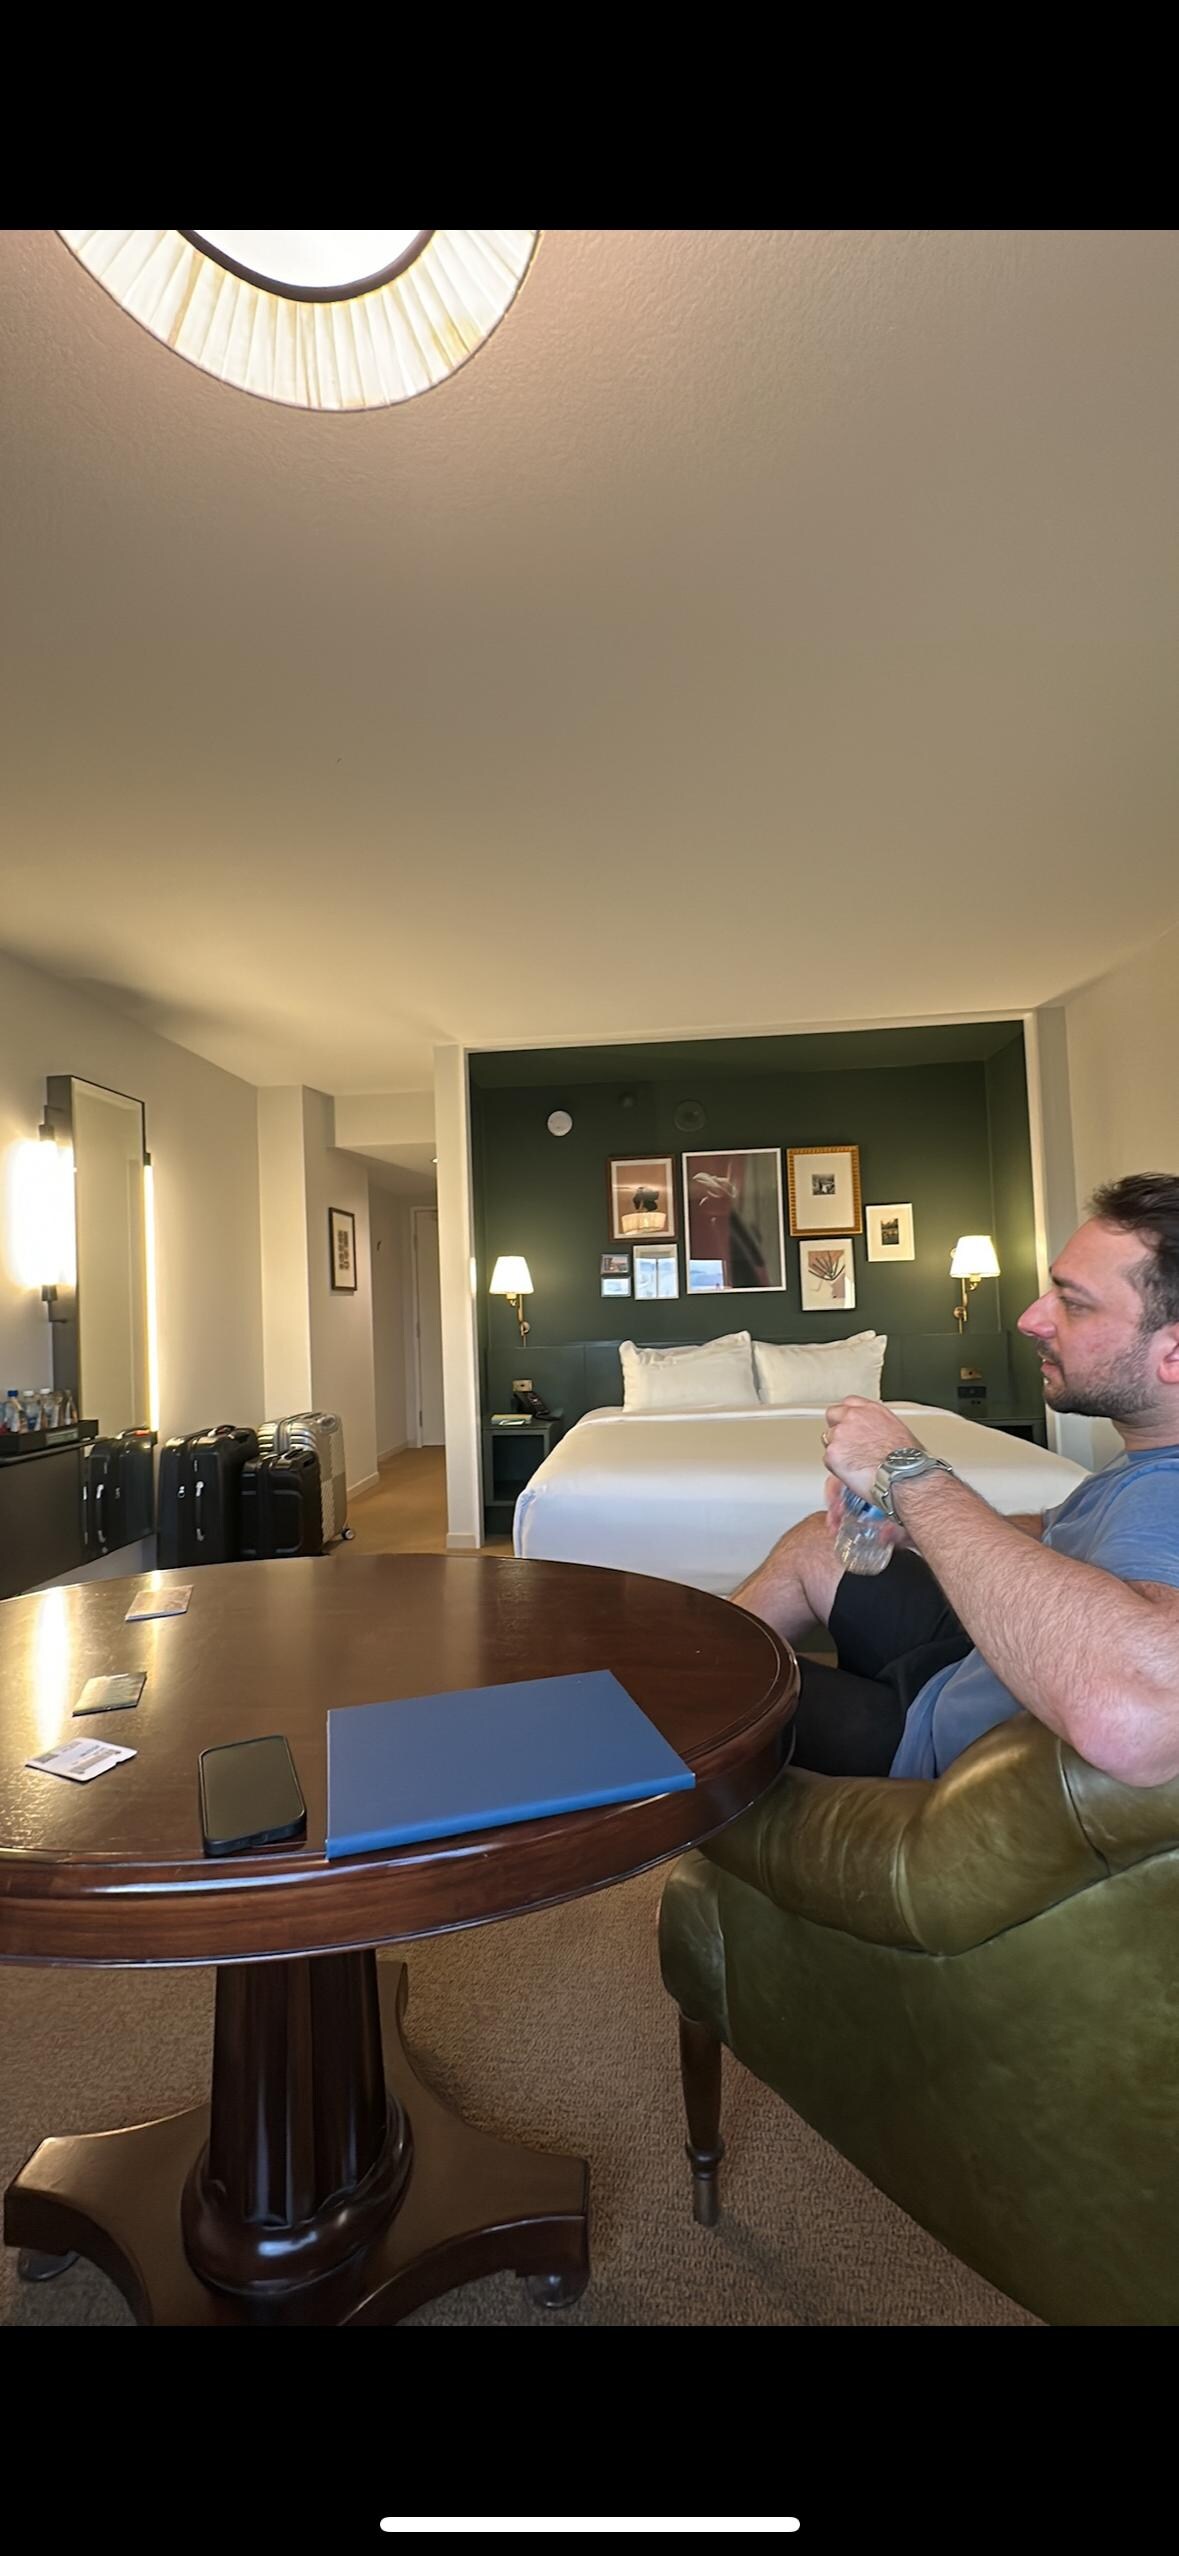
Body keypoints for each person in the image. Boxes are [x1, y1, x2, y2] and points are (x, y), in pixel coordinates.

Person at [733, 1174, 1179, 1788]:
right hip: (976, 1660)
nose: (1030, 1318)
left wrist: (907, 1472)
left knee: (713, 1685)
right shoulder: (1146, 1460)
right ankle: (681, 1662)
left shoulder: (1164, 1492)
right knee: (819, 1541)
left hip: (937, 1739)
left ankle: (658, 1703)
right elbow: (1059, 1536)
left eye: (1073, 1302)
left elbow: (1139, 1719)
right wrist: (913, 1525)